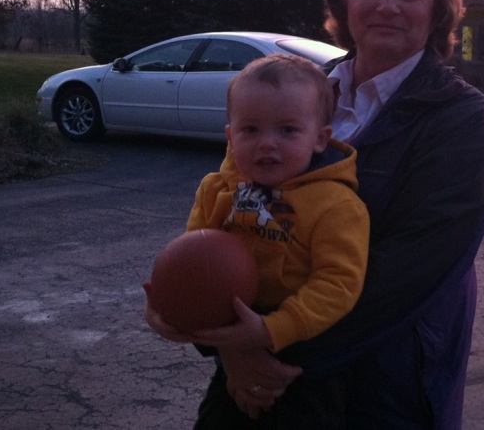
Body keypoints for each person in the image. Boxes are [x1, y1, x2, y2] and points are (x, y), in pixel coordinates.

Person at [196, 0, 484, 429]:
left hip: (384, 380)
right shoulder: (299, 89)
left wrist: (268, 344)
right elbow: (231, 205)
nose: (388, 5)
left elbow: (409, 271)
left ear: (437, 9)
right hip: (253, 370)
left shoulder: (458, 116)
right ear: (344, 0)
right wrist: (217, 334)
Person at [144, 53, 370, 427]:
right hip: (232, 344)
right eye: (250, 129)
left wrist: (270, 330)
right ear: (231, 137)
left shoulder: (337, 205)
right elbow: (194, 258)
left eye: (288, 130)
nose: (267, 143)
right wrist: (171, 304)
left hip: (305, 358)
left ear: (320, 139)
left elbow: (339, 283)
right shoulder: (217, 190)